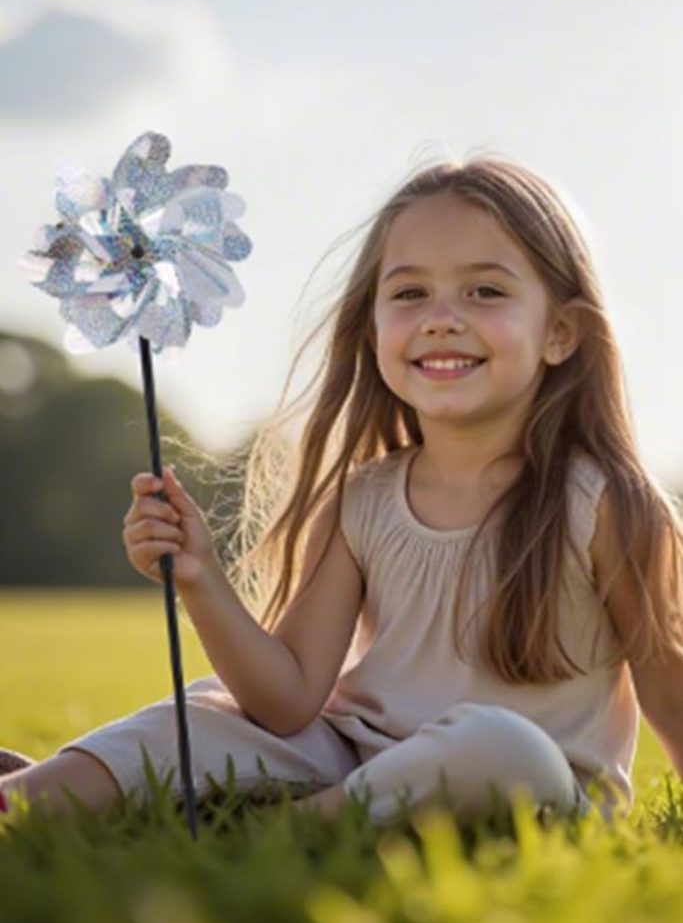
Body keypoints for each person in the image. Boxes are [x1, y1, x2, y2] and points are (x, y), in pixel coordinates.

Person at [3, 155, 683, 829]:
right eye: (409, 294)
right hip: (352, 765)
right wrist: (201, 577)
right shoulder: (362, 502)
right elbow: (287, 701)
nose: (441, 318)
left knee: (498, 745)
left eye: (484, 291)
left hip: (527, 786)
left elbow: (669, 691)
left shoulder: (605, 505)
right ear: (373, 327)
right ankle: (28, 798)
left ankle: (258, 833)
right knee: (210, 709)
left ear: (560, 332)